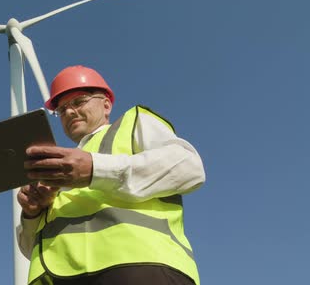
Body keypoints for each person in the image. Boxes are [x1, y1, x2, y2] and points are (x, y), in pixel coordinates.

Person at [16, 65, 205, 285]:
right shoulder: (57, 165)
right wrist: (32, 214)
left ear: (106, 105)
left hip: (135, 267)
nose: (68, 112)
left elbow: (188, 168)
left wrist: (95, 169)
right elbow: (31, 250)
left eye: (78, 101)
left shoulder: (133, 123)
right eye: (62, 109)